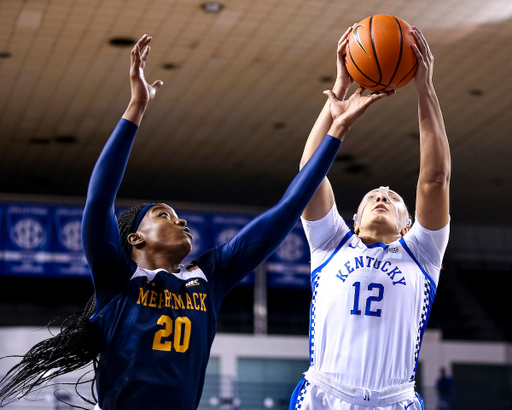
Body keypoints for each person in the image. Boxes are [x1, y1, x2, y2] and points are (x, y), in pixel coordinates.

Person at [0, 34, 392, 410]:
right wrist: (136, 107)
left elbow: (288, 208)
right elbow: (100, 197)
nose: (180, 219)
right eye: (164, 215)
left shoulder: (210, 277)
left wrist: (337, 129)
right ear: (135, 239)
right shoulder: (117, 280)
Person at [289, 25, 450, 410]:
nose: (381, 195)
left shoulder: (422, 252)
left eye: (393, 198)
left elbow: (435, 179)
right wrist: (338, 95)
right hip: (325, 396)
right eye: (372, 196)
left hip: (393, 401)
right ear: (354, 220)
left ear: (407, 226)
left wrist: (424, 90)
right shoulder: (330, 244)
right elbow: (308, 174)